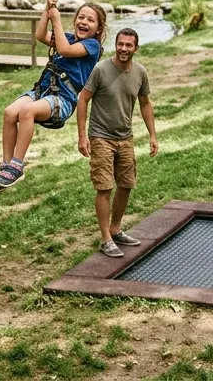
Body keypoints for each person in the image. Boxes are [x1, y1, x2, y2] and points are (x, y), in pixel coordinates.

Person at [0, 0, 106, 191]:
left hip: (62, 99)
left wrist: (57, 20)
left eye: (90, 20)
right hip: (42, 91)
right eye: (81, 17)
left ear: (98, 29)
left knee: (27, 111)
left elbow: (65, 49)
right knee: (9, 113)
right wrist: (47, 10)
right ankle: (7, 164)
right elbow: (40, 35)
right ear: (75, 20)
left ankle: (17, 165)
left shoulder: (92, 46)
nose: (84, 22)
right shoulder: (67, 37)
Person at [76, 28, 157, 258]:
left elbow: (145, 103)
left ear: (136, 48)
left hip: (125, 137)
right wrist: (82, 135)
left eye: (128, 45)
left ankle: (116, 229)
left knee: (126, 184)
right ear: (116, 45)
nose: (123, 49)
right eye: (120, 44)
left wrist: (152, 135)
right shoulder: (101, 69)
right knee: (104, 187)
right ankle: (105, 239)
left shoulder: (140, 72)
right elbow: (83, 99)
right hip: (101, 136)